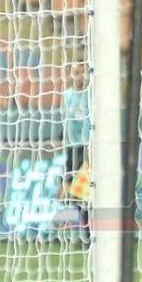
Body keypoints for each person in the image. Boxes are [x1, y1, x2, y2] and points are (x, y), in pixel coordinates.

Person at [60, 62, 91, 241]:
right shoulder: (67, 96)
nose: (79, 76)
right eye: (76, 72)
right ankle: (73, 232)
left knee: (84, 193)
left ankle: (87, 234)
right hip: (70, 148)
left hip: (85, 149)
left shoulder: (90, 95)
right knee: (70, 194)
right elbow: (64, 122)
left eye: (81, 72)